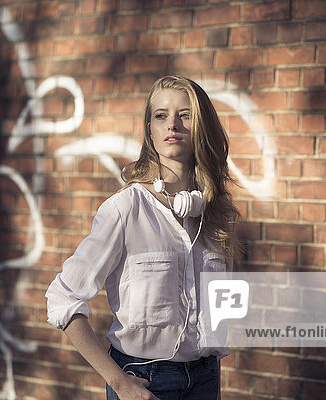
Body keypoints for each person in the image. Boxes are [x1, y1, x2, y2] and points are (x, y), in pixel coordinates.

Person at [46, 75, 243, 400]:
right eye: (161, 115)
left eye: (185, 114)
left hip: (206, 378)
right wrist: (118, 382)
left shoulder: (217, 215)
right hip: (145, 381)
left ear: (202, 125)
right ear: (149, 129)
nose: (173, 125)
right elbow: (62, 299)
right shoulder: (126, 209)